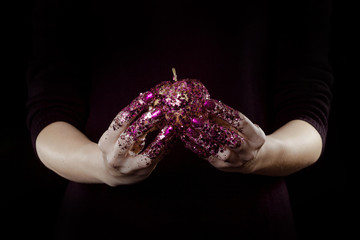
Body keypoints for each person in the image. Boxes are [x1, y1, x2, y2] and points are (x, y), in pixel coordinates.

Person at [26, 0, 333, 239]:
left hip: (249, 223)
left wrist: (262, 156)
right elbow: (49, 112)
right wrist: (101, 166)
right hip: (102, 223)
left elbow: (308, 113)